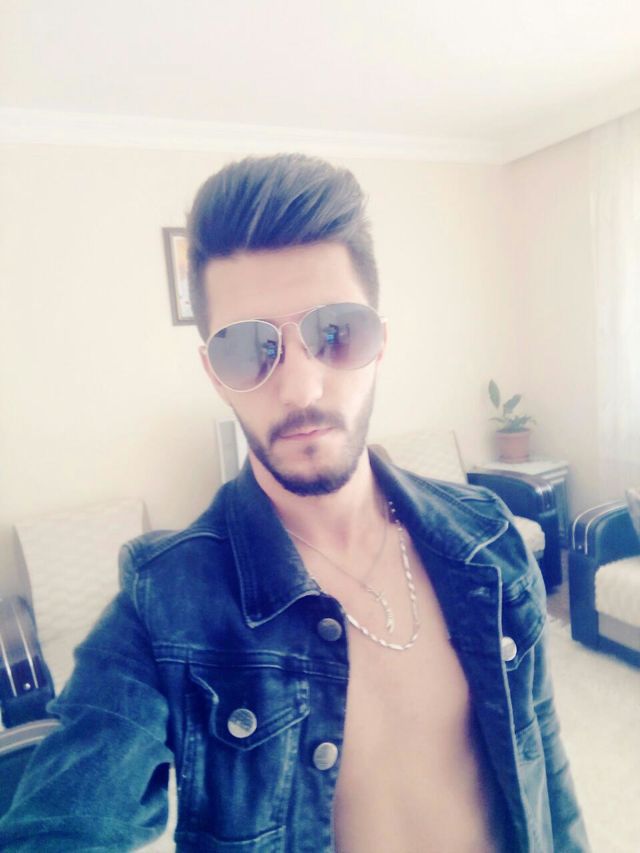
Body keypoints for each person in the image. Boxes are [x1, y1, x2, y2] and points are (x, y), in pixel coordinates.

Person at [0, 154, 589, 852]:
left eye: (336, 332)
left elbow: (548, 781)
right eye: (249, 348)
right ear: (214, 373)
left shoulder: (487, 538)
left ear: (379, 343)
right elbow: (63, 818)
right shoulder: (167, 604)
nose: (301, 389)